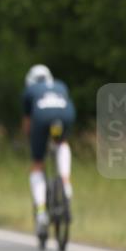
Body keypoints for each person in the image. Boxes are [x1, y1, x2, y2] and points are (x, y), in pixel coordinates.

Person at [21, 64, 76, 238]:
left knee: (37, 165)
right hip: (65, 116)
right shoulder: (60, 85)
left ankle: (41, 211)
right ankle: (66, 185)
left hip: (42, 119)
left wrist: (31, 141)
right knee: (62, 143)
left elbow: (28, 123)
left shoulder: (29, 91)